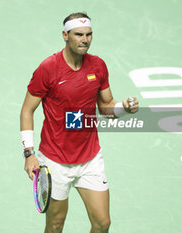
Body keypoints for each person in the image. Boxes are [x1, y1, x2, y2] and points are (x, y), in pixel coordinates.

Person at [20, 12, 139, 233]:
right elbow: (27, 110)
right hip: (55, 160)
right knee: (55, 225)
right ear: (65, 35)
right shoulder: (48, 68)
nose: (84, 39)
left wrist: (124, 108)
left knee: (103, 223)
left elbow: (106, 107)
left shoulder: (98, 66)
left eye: (89, 34)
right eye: (78, 34)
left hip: (90, 158)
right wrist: (29, 153)